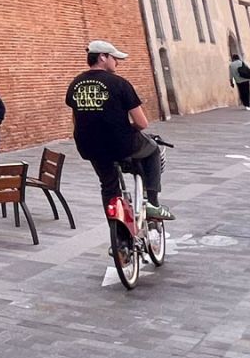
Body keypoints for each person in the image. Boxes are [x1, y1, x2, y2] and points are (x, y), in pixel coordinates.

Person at [65, 40, 173, 252]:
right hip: (121, 143)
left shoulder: (75, 84)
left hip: (89, 146)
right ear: (102, 57)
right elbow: (142, 123)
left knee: (108, 186)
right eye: (115, 58)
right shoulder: (119, 83)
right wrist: (125, 126)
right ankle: (152, 203)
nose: (117, 63)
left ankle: (120, 240)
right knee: (152, 148)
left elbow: (75, 120)